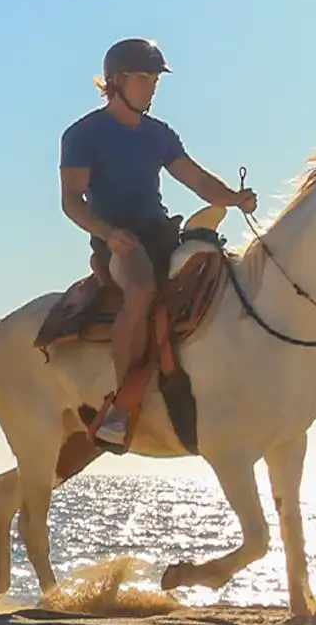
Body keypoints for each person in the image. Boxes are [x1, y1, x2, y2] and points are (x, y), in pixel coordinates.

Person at [60, 38, 256, 448]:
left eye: (154, 79)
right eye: (144, 78)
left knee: (220, 277)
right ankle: (122, 404)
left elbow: (198, 180)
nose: (151, 87)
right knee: (142, 288)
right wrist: (109, 235)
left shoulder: (159, 134)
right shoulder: (83, 134)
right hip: (118, 240)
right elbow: (71, 200)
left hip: (159, 232)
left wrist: (233, 199)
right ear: (116, 80)